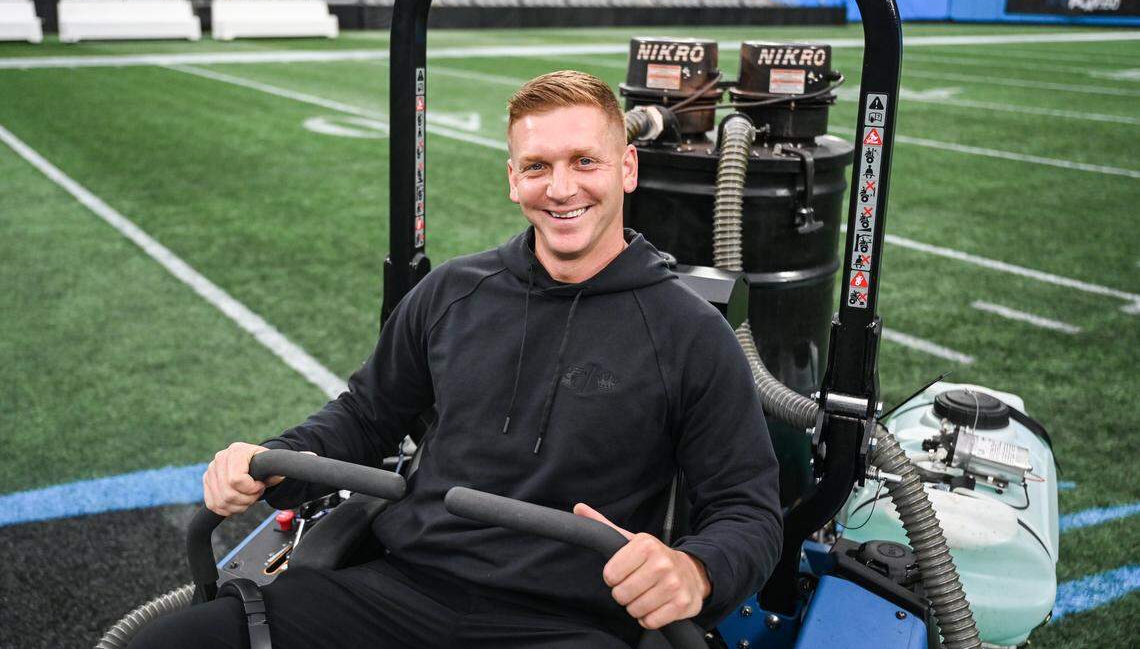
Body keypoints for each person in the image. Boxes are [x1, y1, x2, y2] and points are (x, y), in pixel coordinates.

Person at [132, 70, 782, 648]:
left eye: (585, 161)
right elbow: (364, 417)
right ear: (511, 178)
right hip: (400, 591)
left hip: (565, 622)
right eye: (537, 166)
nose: (561, 188)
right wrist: (269, 461)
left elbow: (747, 509)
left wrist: (694, 570)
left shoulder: (692, 333)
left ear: (627, 169)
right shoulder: (451, 292)